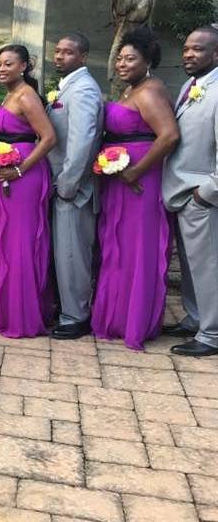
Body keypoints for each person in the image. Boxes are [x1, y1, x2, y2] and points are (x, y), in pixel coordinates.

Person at [92, 28, 178, 350]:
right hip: (121, 179)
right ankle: (117, 315)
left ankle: (135, 321)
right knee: (119, 247)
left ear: (147, 61)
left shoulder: (149, 92)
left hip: (140, 182)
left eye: (131, 59)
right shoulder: (132, 90)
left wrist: (137, 171)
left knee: (137, 248)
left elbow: (169, 136)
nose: (123, 64)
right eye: (120, 59)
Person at [0, 45, 56, 338]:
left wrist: (21, 168)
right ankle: (3, 308)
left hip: (23, 176)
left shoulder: (26, 96)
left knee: (20, 243)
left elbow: (49, 137)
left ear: (24, 66)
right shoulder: (9, 95)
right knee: (4, 240)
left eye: (8, 64)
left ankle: (22, 314)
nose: (1, 69)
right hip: (4, 173)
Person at [161, 25, 218, 356]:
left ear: (215, 54)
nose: (188, 54)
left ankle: (211, 334)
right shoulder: (191, 85)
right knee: (191, 264)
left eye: (197, 49)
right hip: (182, 192)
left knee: (208, 265)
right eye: (186, 48)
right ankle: (195, 318)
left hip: (202, 195)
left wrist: (207, 192)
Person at [47, 34, 104, 340]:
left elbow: (83, 141)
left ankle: (76, 316)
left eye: (68, 52)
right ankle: (66, 308)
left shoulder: (82, 90)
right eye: (57, 51)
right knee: (64, 251)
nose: (59, 56)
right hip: (60, 185)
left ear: (83, 57)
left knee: (72, 253)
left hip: (73, 190)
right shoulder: (68, 86)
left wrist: (68, 185)